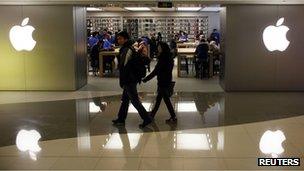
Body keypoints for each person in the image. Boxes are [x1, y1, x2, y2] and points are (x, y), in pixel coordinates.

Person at [112, 31, 153, 128]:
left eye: (120, 38)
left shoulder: (127, 49)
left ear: (125, 39)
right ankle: (121, 118)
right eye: (118, 38)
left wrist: (123, 80)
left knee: (134, 100)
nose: (118, 40)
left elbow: (124, 66)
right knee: (125, 100)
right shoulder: (129, 47)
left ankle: (146, 118)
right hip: (131, 78)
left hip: (129, 79)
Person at [142, 42, 177, 123]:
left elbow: (156, 71)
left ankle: (173, 116)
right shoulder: (169, 57)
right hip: (166, 79)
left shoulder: (163, 58)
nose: (158, 48)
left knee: (165, 100)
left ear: (162, 48)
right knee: (159, 99)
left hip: (163, 81)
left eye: (159, 47)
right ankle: (153, 114)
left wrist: (146, 79)